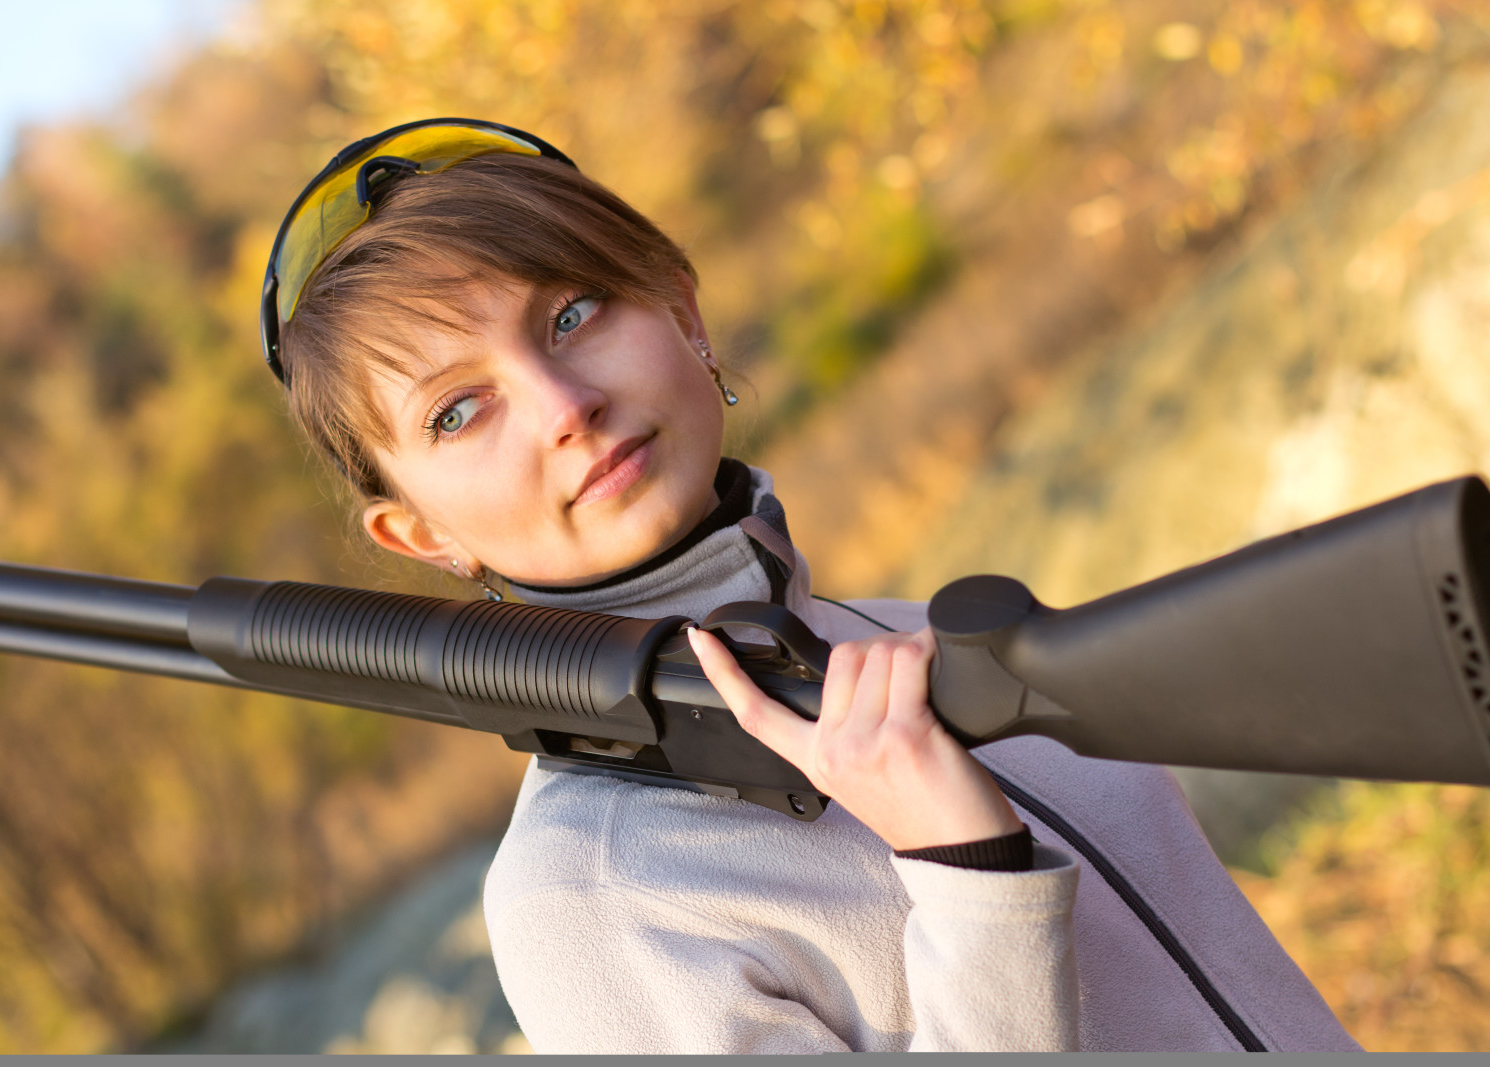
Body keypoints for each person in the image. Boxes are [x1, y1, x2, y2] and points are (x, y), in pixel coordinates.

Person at [260, 118, 1359, 1053]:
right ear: (419, 533)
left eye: (571, 313)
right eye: (457, 409)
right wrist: (966, 869)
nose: (559, 403)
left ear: (683, 312)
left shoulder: (912, 639)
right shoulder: (585, 897)